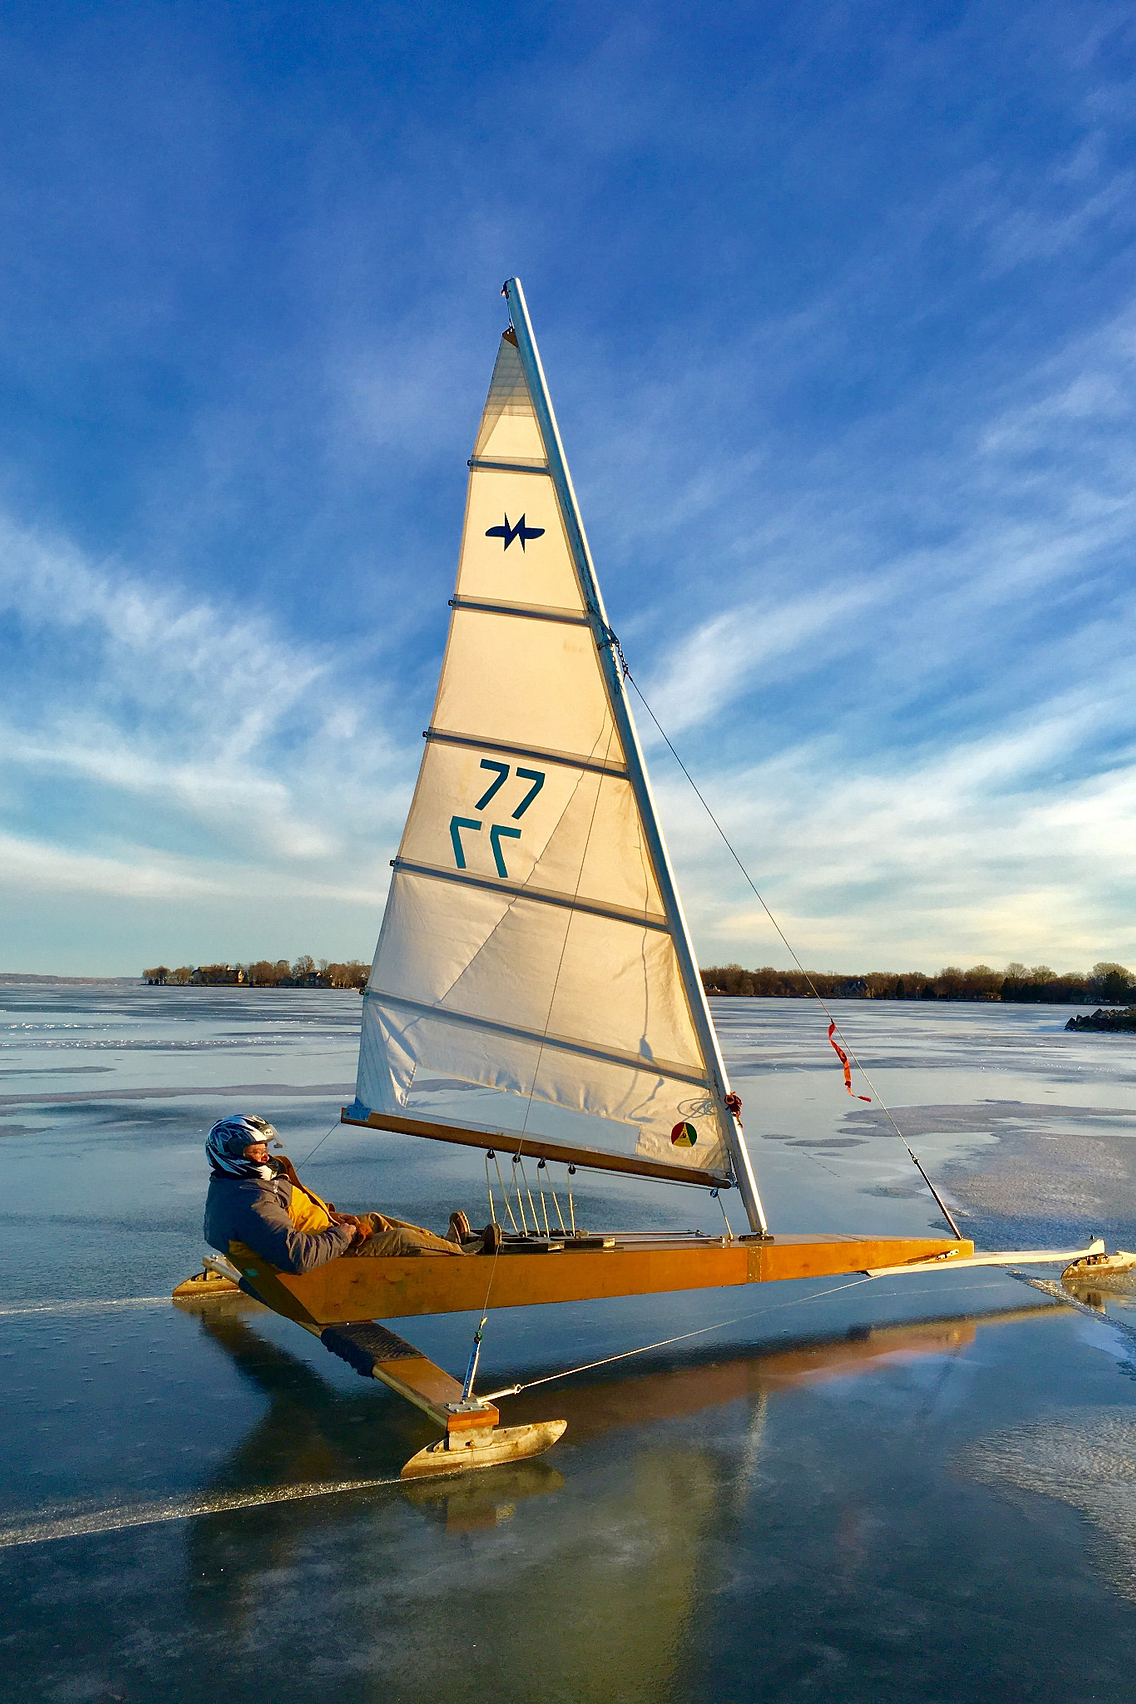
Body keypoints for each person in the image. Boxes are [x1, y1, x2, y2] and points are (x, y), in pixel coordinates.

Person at [203, 1114, 499, 1276]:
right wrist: (343, 1235)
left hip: (321, 1233)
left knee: (375, 1220)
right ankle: (466, 1256)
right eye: (257, 1152)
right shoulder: (252, 1204)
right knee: (401, 1240)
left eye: (266, 1150)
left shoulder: (239, 1184)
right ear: (232, 1156)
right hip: (326, 1257)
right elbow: (298, 1258)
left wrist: (333, 1218)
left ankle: (444, 1244)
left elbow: (294, 1211)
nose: (266, 1158)